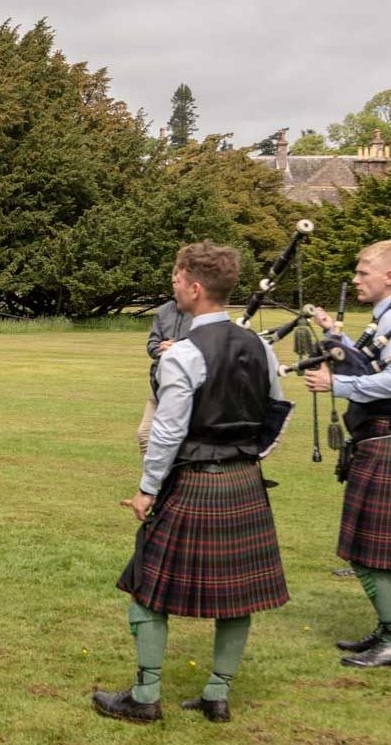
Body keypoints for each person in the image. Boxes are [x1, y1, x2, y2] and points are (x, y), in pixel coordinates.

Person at [96, 243, 289, 725]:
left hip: (195, 483)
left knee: (146, 584)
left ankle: (145, 697)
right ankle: (216, 695)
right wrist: (247, 457)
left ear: (196, 287)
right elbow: (277, 416)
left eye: (178, 279)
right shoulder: (260, 346)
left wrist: (147, 488)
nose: (174, 286)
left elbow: (167, 431)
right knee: (238, 593)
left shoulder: (183, 355)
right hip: (246, 483)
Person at [305, 240, 391, 668]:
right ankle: (388, 630)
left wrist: (336, 385)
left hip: (387, 442)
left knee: (368, 555)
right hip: (389, 441)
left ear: (389, 277)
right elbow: (373, 367)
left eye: (363, 272)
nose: (356, 279)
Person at [136, 297, 193, 455]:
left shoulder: (200, 312)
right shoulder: (163, 311)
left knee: (181, 442)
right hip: (160, 387)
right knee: (145, 435)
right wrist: (160, 348)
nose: (176, 285)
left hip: (187, 388)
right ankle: (154, 479)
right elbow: (152, 343)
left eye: (179, 281)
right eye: (174, 281)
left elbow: (208, 347)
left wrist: (179, 348)